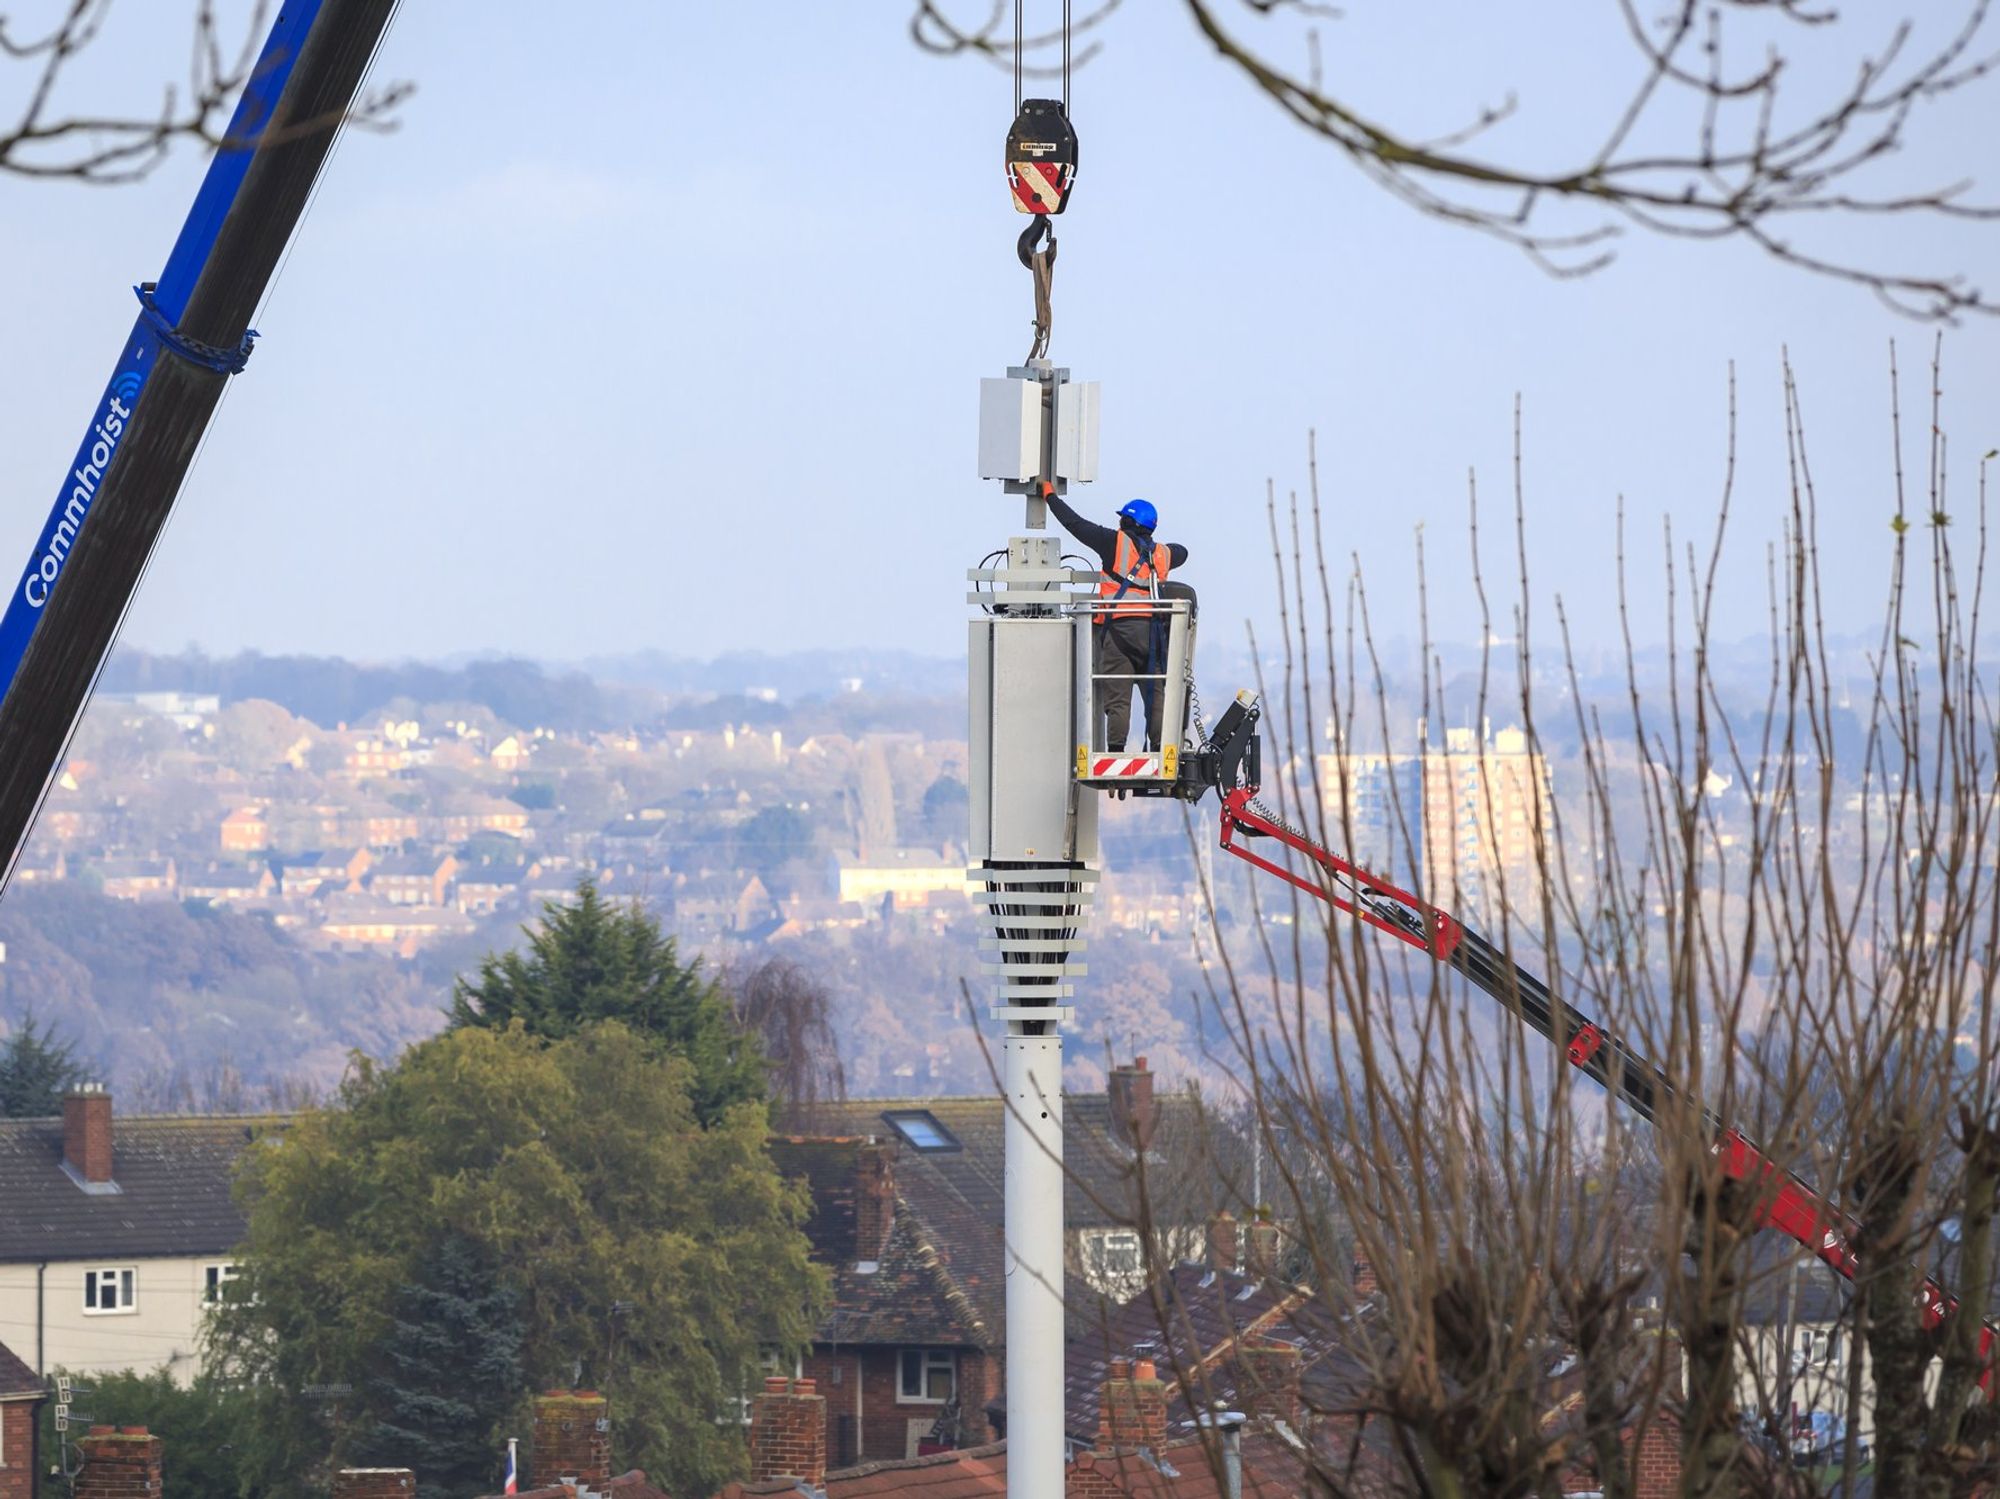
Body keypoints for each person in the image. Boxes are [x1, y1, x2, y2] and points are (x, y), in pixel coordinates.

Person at [1045, 490, 1191, 752]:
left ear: (1128, 523)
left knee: (1119, 699)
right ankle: (1161, 749)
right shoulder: (1163, 554)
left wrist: (1050, 496)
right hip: (1153, 635)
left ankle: (1115, 751)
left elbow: (1075, 524)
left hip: (1119, 632)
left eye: (1122, 519)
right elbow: (1183, 551)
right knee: (1156, 694)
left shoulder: (1113, 543)